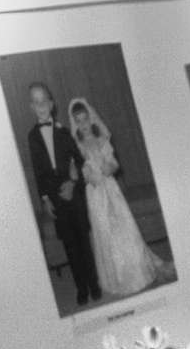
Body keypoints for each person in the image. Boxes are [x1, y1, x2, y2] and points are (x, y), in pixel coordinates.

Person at [67, 98, 171, 298]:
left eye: (85, 119)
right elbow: (77, 173)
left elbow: (114, 164)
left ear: (91, 119)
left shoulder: (102, 139)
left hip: (110, 189)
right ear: (75, 124)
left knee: (123, 229)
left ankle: (135, 272)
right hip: (94, 193)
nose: (83, 124)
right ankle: (115, 278)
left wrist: (109, 167)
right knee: (104, 231)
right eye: (78, 121)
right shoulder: (76, 147)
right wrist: (86, 174)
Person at [26, 82, 99, 305]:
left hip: (73, 191)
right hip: (55, 197)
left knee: (83, 241)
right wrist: (45, 198)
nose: (41, 106)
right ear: (32, 107)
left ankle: (94, 284)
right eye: (36, 102)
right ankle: (81, 288)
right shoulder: (32, 137)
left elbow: (79, 159)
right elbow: (38, 171)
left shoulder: (64, 132)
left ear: (52, 103)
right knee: (69, 244)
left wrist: (73, 182)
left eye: (44, 101)